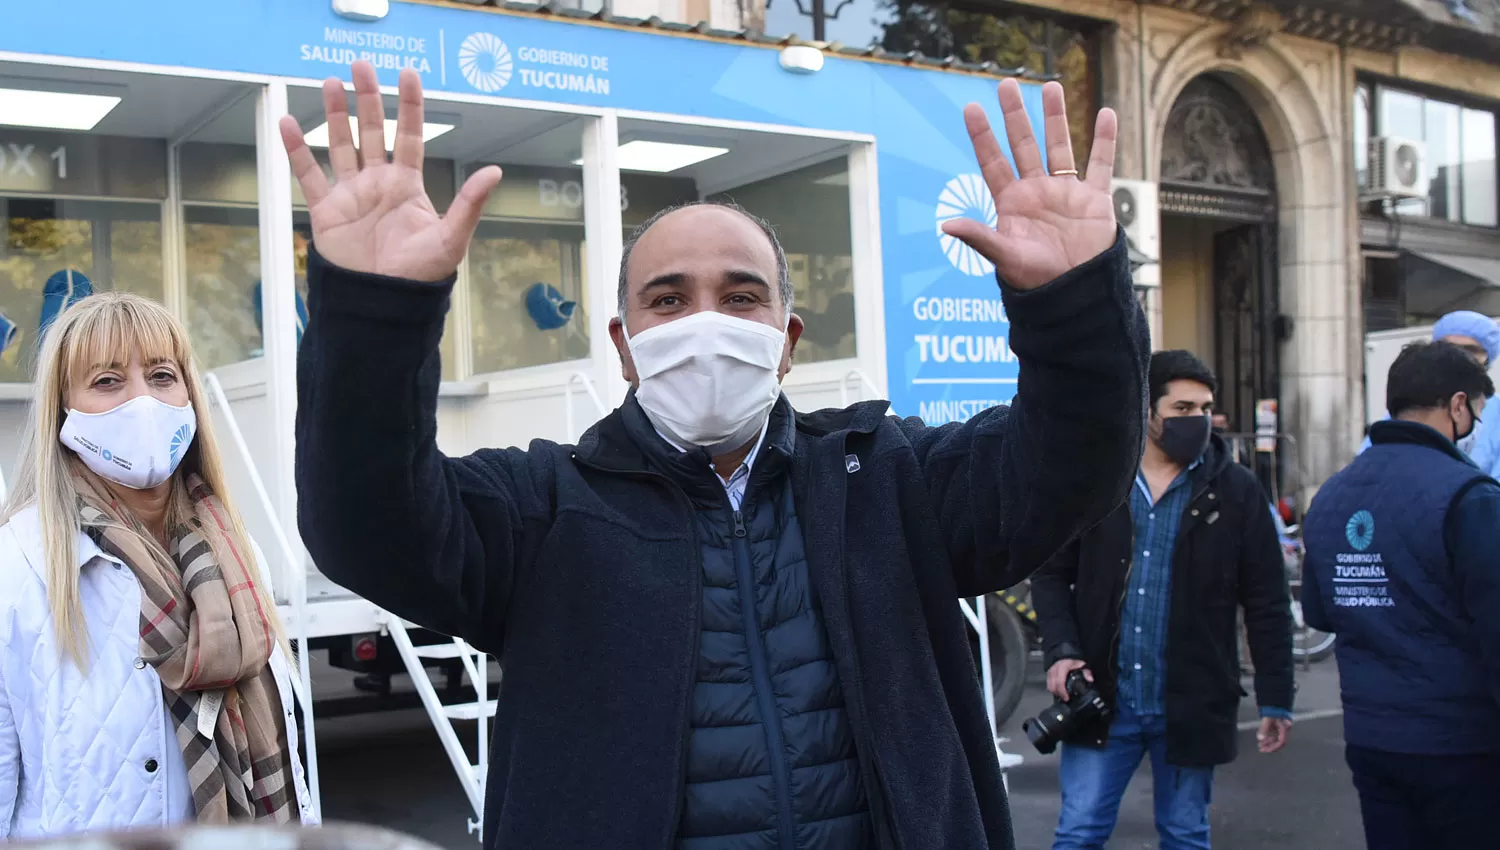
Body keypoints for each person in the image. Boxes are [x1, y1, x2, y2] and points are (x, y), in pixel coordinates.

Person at [285, 61, 1148, 850]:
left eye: (741, 297)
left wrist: (1072, 305)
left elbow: (1074, 466)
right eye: (669, 299)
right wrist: (376, 314)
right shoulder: (542, 507)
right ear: (625, 347)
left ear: (786, 339)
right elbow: (365, 522)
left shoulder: (886, 476)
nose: (706, 323)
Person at [0, 292, 317, 839]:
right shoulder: (20, 562)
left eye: (162, 376)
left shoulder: (238, 551)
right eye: (107, 381)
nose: (143, 401)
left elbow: (288, 743)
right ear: (62, 409)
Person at [1030, 350, 1294, 850]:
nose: (1197, 420)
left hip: (1191, 705)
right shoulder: (1099, 481)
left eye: (1204, 408)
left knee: (1185, 835)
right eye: (1182, 409)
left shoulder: (1235, 491)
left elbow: (1267, 600)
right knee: (1078, 834)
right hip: (1104, 703)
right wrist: (1063, 650)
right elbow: (1049, 572)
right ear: (1146, 409)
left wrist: (1276, 696)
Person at [1302, 340, 1500, 850]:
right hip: (1462, 743)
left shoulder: (1333, 494)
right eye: (1477, 412)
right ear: (1457, 405)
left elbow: (1321, 611)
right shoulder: (1470, 495)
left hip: (1372, 737)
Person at [1359, 310, 1499, 458]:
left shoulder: (1496, 415)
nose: (1459, 357)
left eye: (1470, 350)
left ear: (1488, 358)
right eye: (1450, 348)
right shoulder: (1410, 406)